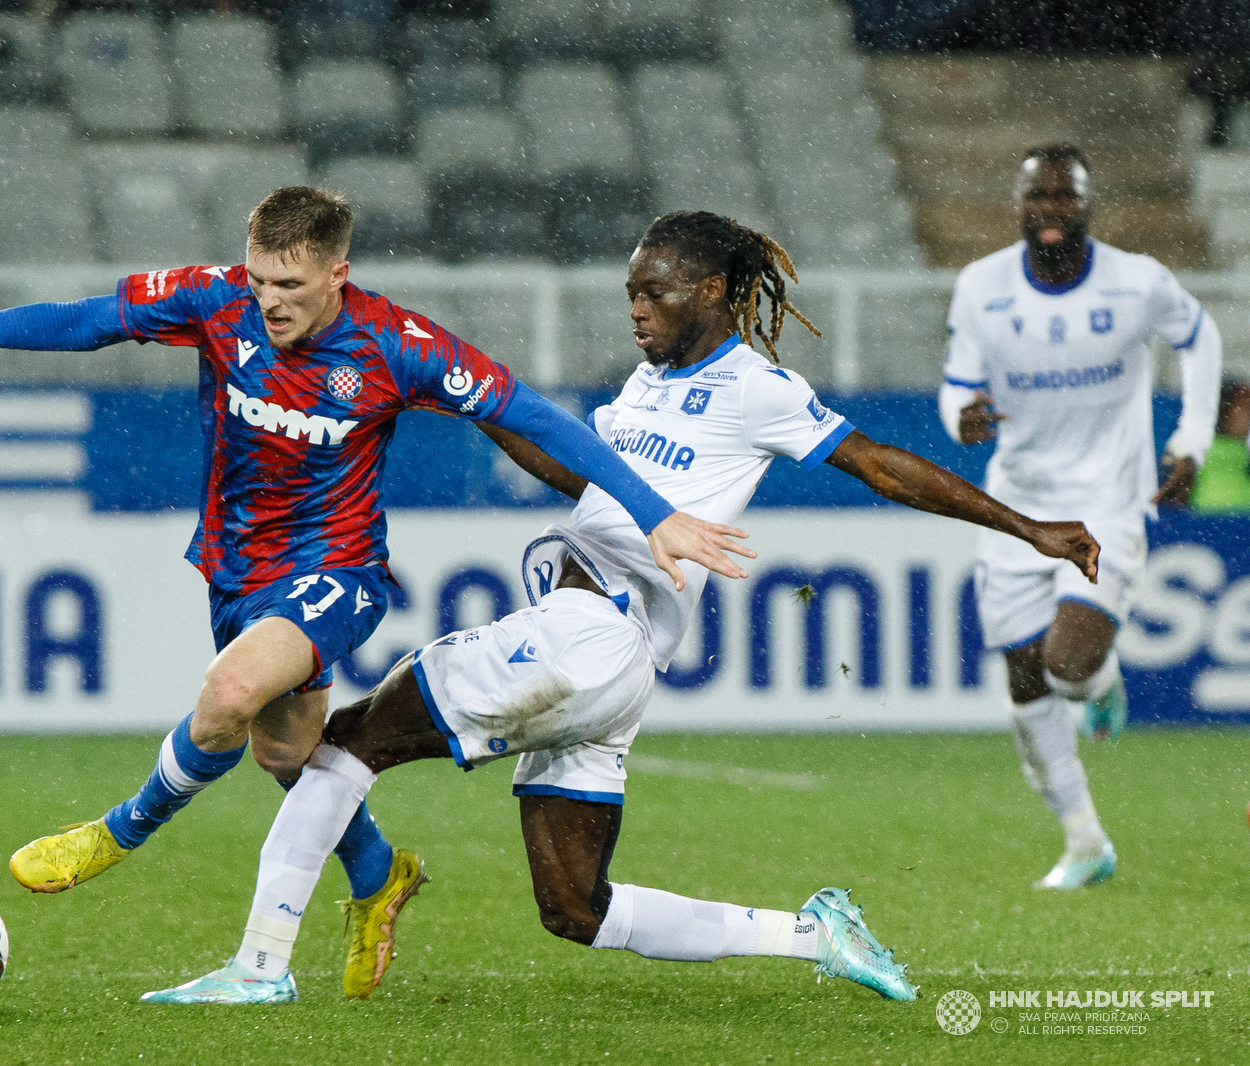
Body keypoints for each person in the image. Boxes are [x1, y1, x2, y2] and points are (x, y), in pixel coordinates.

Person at [137, 211, 1100, 1005]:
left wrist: (1027, 527)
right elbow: (575, 474)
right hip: (615, 672)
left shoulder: (757, 387)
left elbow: (878, 464)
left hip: (584, 634)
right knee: (574, 909)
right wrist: (475, 404)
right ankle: (814, 934)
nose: (636, 309)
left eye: (656, 291)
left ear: (715, 292)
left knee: (341, 744)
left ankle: (259, 967)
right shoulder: (649, 383)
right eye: (631, 292)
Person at [0, 186, 754, 988]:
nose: (271, 300)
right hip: (235, 571)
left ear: (337, 273)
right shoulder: (213, 301)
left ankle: (118, 832)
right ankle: (382, 876)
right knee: (286, 757)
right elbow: (92, 319)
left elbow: (533, 414)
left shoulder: (396, 346)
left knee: (228, 693)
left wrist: (652, 513)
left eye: (292, 284)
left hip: (338, 573)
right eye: (261, 279)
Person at [939, 144, 1223, 889]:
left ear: (1088, 203)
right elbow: (957, 388)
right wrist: (960, 419)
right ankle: (1085, 839)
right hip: (1015, 506)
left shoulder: (1137, 282)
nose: (1051, 209)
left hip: (1108, 501)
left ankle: (1099, 684)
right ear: (1019, 204)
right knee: (1024, 681)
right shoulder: (981, 286)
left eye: (1065, 196)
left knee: (1066, 664)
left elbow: (1201, 338)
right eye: (1038, 196)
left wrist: (1191, 439)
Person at [1192, 379, 1250, 513]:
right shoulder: (1198, 445)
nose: (1248, 416)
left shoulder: (1244, 448)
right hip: (1207, 518)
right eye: (1246, 407)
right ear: (1225, 410)